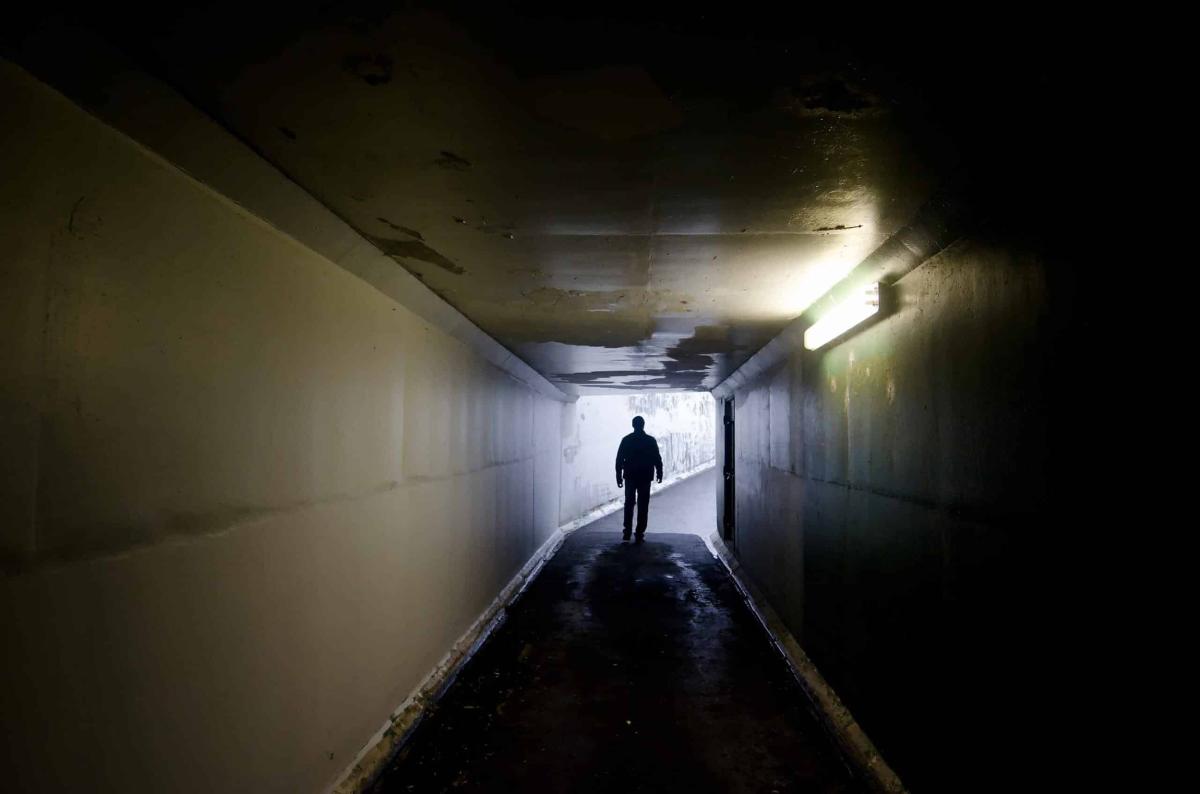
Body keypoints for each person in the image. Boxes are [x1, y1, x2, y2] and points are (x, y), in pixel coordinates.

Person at [615, 416, 664, 542]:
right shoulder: (650, 440)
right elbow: (657, 458)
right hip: (645, 476)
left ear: (633, 425)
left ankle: (627, 531)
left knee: (629, 503)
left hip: (630, 476)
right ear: (643, 425)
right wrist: (659, 473)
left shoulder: (626, 440)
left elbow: (619, 459)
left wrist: (618, 476)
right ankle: (639, 532)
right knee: (643, 504)